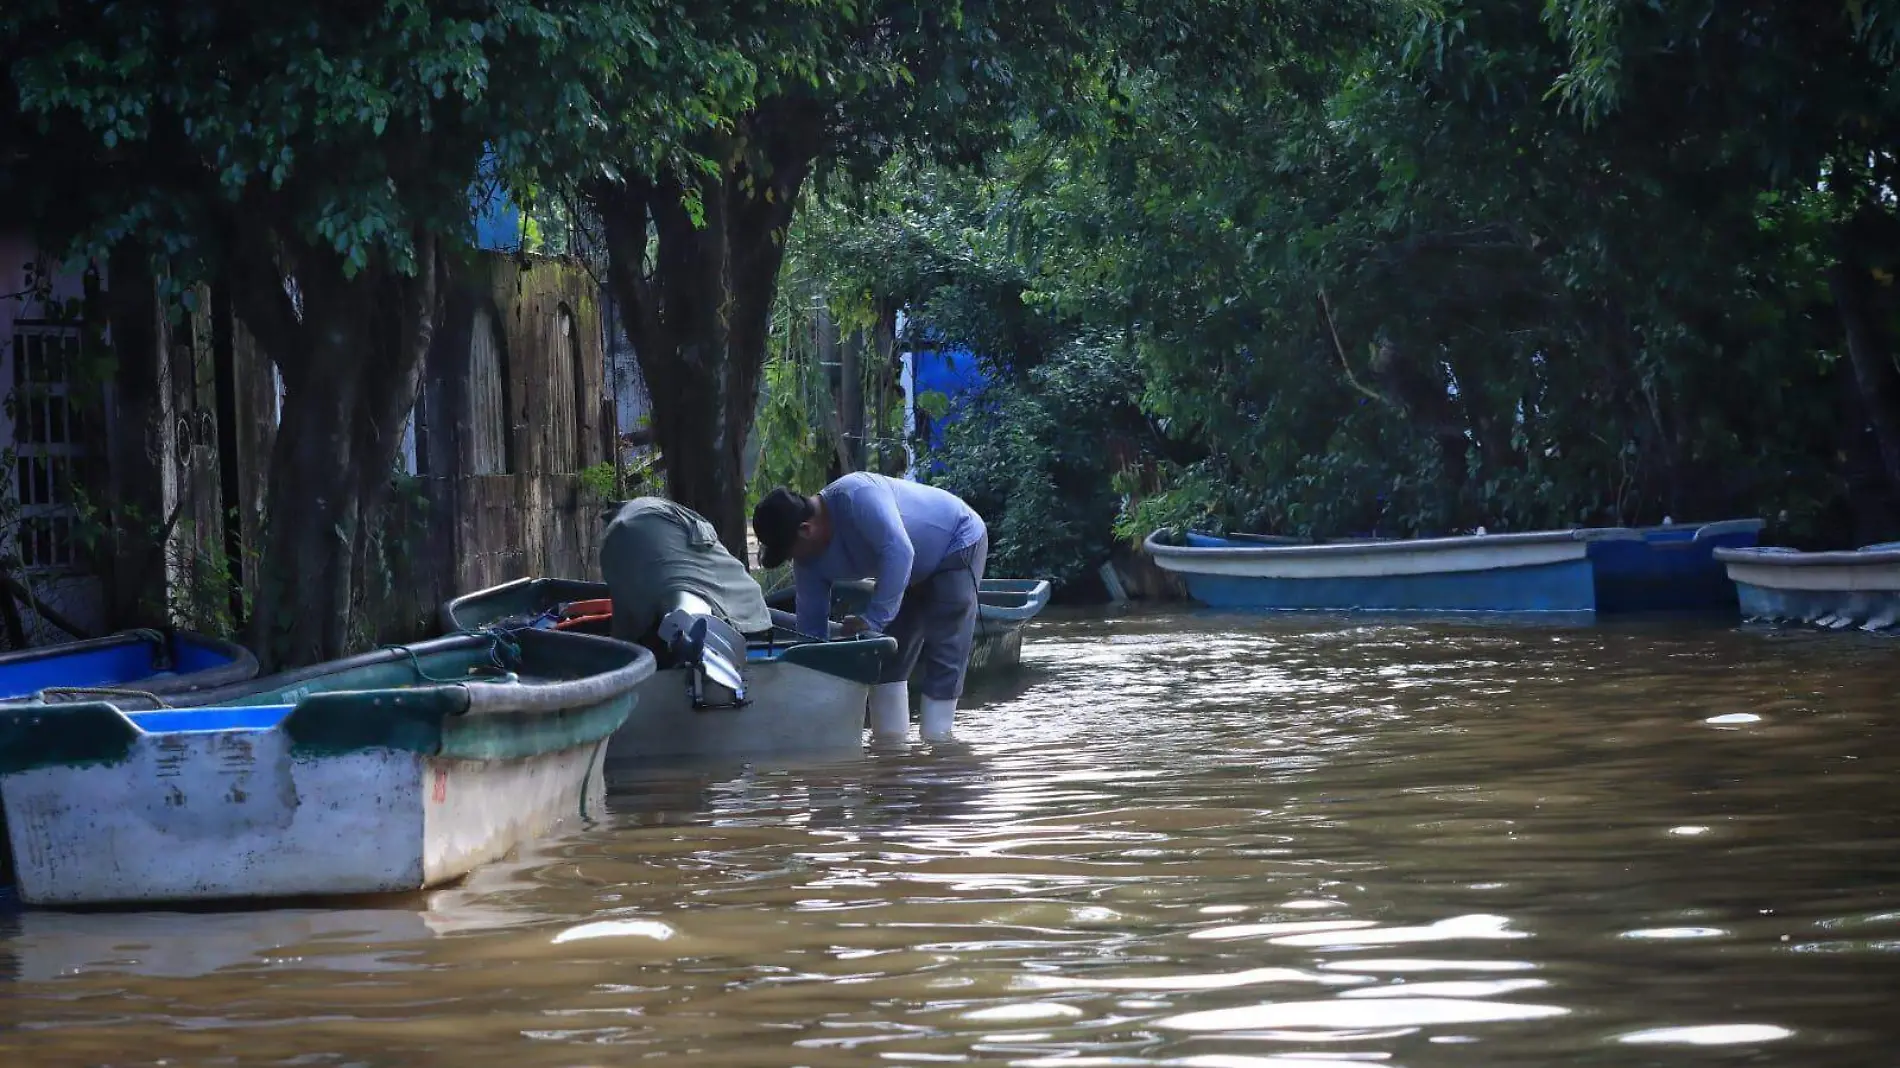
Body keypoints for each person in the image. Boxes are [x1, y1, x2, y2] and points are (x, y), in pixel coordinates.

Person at [751, 473, 987, 742]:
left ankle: (939, 743)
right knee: (888, 655)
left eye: (789, 551)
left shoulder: (857, 496)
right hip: (905, 571)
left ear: (806, 529)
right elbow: (811, 633)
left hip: (956, 541)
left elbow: (900, 553)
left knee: (945, 645)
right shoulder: (807, 561)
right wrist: (809, 694)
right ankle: (890, 747)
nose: (793, 560)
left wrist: (873, 620)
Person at [600, 497, 773, 650]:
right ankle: (691, 630)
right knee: (693, 591)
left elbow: (625, 623)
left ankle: (686, 632)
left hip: (613, 544)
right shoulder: (655, 509)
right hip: (661, 538)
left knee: (639, 625)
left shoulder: (622, 526)